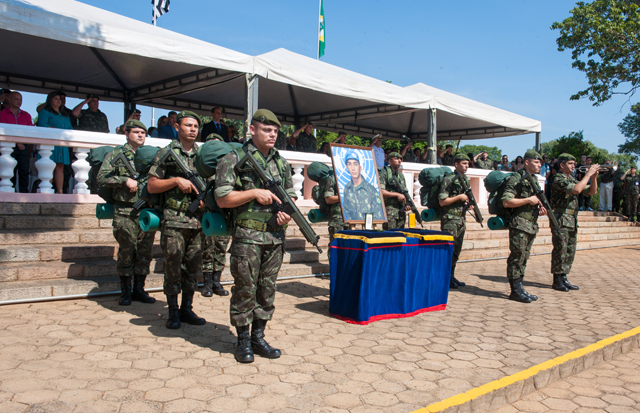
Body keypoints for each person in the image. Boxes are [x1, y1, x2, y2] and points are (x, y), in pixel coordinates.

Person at [215, 109, 295, 363]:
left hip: (274, 236)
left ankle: (258, 337)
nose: (272, 135)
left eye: (275, 131)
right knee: (245, 289)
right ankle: (242, 340)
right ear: (252, 130)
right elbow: (222, 198)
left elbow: (290, 195)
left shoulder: (280, 162)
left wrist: (287, 213)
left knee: (267, 289)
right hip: (247, 236)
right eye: (266, 130)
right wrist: (253, 193)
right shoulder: (233, 157)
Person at [148, 111, 206, 330]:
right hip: (174, 218)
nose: (192, 129)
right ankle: (172, 310)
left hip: (197, 220)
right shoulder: (167, 153)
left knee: (193, 265)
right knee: (173, 263)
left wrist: (205, 201)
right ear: (177, 127)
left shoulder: (204, 156)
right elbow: (152, 185)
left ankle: (187, 308)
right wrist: (174, 181)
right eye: (188, 125)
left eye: (195, 126)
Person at [97, 119, 156, 306]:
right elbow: (101, 178)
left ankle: (139, 289)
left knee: (145, 250)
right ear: (127, 134)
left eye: (143, 133)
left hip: (146, 209)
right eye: (136, 132)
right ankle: (125, 291)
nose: (140, 135)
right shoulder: (116, 154)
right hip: (125, 210)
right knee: (127, 249)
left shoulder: (150, 155)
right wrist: (123, 180)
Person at [501, 150, 547, 303]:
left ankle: (520, 287)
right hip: (519, 224)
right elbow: (507, 201)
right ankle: (514, 290)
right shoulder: (517, 178)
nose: (539, 164)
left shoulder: (532, 179)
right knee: (517, 256)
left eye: (540, 162)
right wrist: (529, 200)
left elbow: (532, 201)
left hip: (530, 224)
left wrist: (538, 208)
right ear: (526, 162)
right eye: (536, 162)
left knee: (524, 256)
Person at [550, 153, 599, 292]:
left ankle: (564, 277)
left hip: (571, 219)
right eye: (571, 163)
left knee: (570, 250)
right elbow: (577, 190)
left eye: (574, 163)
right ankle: (557, 279)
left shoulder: (571, 178)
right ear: (562, 165)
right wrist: (588, 174)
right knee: (561, 249)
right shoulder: (557, 178)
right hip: (560, 217)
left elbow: (591, 192)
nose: (574, 166)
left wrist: (594, 178)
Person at [199, 132, 231, 298]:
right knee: (208, 248)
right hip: (209, 214)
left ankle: (217, 281)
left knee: (221, 247)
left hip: (224, 214)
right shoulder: (203, 167)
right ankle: (207, 283)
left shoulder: (226, 166)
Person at [438, 153, 473, 289]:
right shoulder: (448, 179)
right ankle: (444, 278)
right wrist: (459, 197)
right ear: (456, 164)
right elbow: (442, 201)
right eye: (464, 163)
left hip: (460, 219)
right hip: (450, 220)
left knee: (456, 251)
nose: (466, 166)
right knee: (448, 250)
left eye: (468, 164)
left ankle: (451, 276)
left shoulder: (465, 180)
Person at [37, 90, 74, 194]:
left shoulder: (65, 114)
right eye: (55, 99)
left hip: (62, 144)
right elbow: (42, 125)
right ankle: (47, 189)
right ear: (50, 100)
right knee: (49, 166)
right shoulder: (45, 112)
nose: (58, 101)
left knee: (60, 167)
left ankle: (60, 191)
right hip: (49, 143)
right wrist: (56, 130)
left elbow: (70, 128)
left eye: (60, 99)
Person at [0, 91, 33, 193]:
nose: (19, 102)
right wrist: (18, 142)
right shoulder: (2, 114)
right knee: (9, 171)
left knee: (24, 171)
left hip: (23, 147)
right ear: (9, 99)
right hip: (8, 147)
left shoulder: (26, 115)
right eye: (16, 99)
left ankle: (24, 194)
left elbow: (30, 132)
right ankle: (10, 193)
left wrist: (22, 143)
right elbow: (4, 130)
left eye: (20, 99)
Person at [341, 151, 385, 221]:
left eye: (355, 164)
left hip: (368, 228)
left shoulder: (371, 189)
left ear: (360, 167)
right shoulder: (347, 188)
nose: (353, 168)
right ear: (347, 167)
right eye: (349, 164)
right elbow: (346, 210)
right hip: (353, 228)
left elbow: (378, 212)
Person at [380, 152, 412, 229]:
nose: (399, 161)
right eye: (396, 158)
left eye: (401, 159)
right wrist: (397, 195)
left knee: (400, 236)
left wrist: (407, 204)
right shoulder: (383, 172)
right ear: (389, 161)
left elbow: (405, 192)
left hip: (401, 211)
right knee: (390, 237)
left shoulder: (400, 176)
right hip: (389, 210)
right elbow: (381, 191)